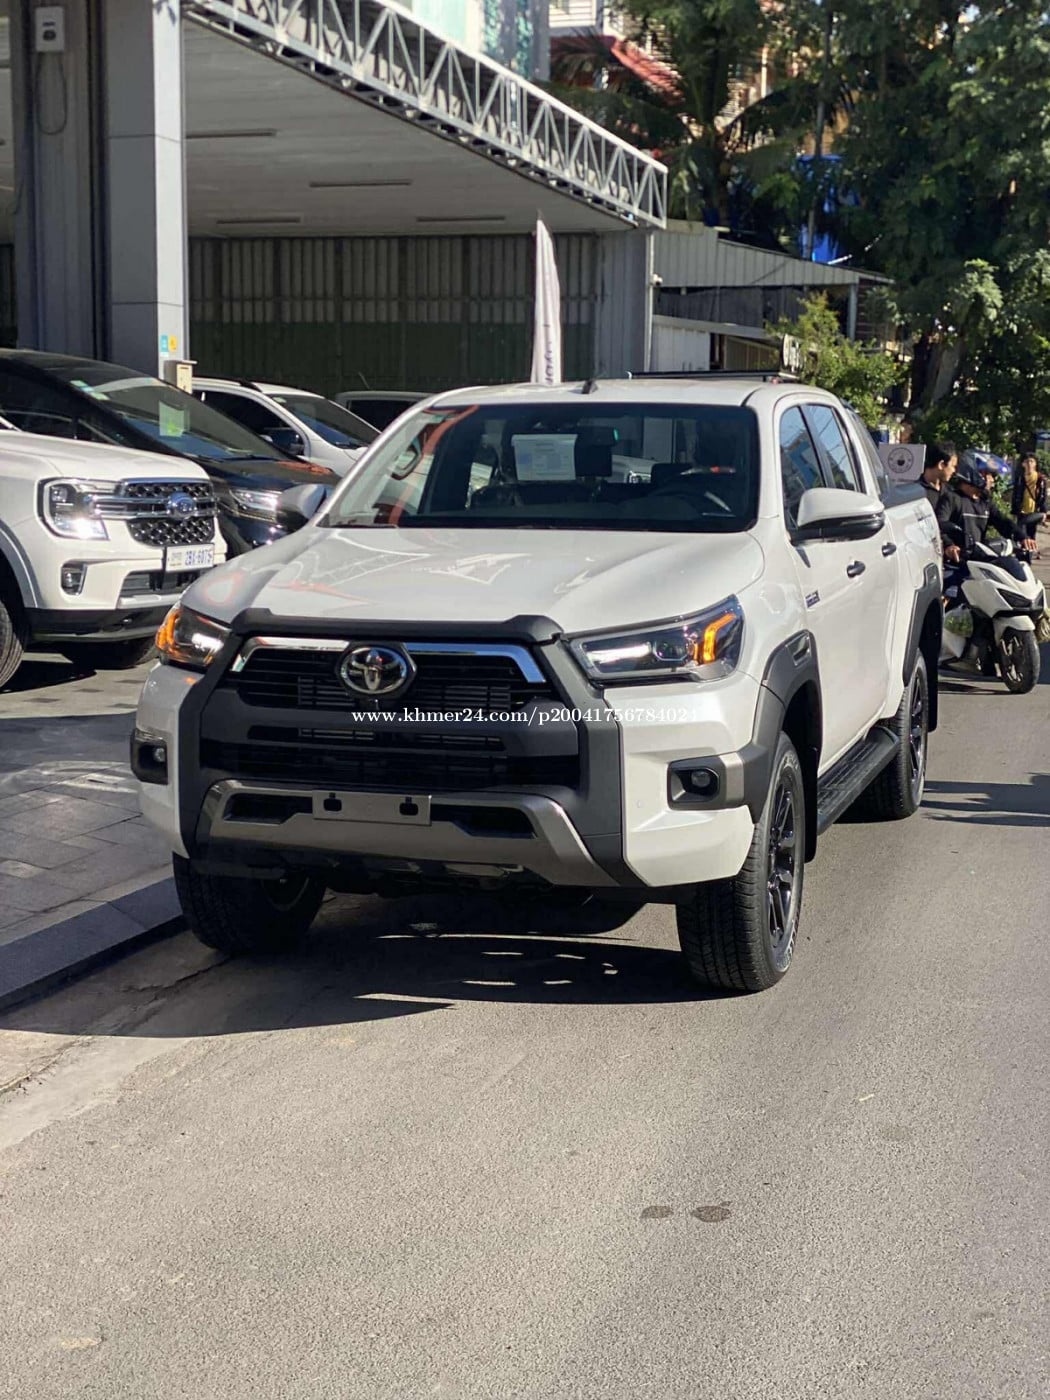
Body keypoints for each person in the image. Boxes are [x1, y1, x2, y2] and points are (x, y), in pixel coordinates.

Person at [919, 442, 962, 565]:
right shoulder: (916, 495)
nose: (954, 471)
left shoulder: (951, 493)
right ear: (941, 464)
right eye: (953, 466)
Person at [1010, 453, 1047, 554]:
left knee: (1030, 531)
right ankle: (1024, 552)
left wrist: (1044, 512)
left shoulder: (1040, 479)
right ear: (1023, 464)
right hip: (1021, 510)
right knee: (1021, 532)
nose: (1029, 464)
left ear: (1035, 464)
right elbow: (1015, 494)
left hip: (1034, 510)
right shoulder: (1020, 478)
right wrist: (1014, 510)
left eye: (1032, 461)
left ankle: (1029, 552)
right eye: (1027, 462)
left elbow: (1043, 497)